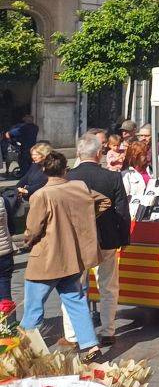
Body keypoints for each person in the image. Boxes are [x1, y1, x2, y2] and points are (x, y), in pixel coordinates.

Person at [19, 151, 107, 362]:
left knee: (33, 306)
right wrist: (84, 220)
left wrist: (27, 241)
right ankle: (90, 345)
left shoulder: (41, 195)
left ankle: (22, 351)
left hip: (46, 259)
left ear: (44, 170)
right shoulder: (80, 188)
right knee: (75, 301)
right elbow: (105, 202)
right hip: (72, 258)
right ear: (64, 169)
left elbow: (32, 229)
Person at [61, 134, 130, 349]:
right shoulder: (112, 178)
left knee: (74, 287)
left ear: (79, 154)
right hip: (107, 239)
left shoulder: (67, 178)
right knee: (108, 285)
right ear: (99, 154)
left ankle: (73, 334)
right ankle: (108, 331)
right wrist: (124, 238)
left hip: (77, 241)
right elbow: (122, 212)